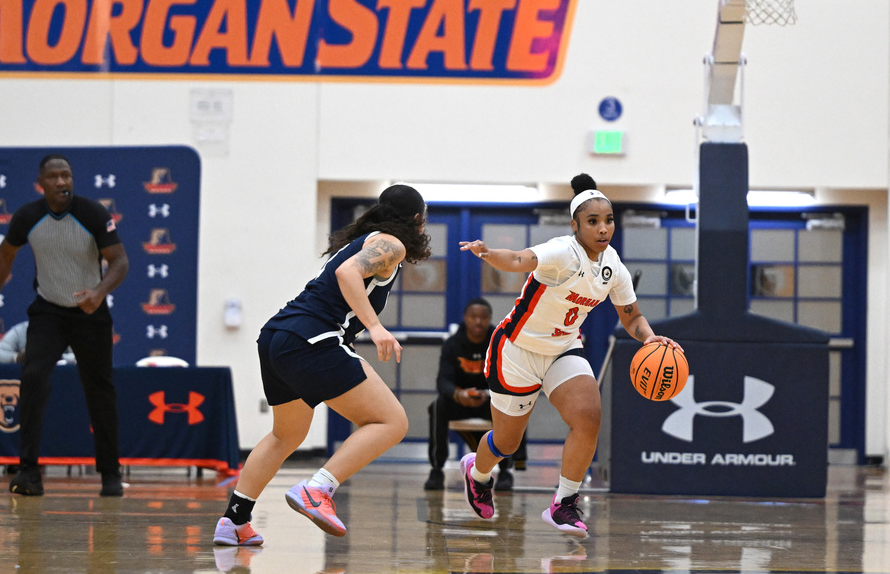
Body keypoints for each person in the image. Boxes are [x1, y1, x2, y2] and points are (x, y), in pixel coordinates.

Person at [458, 174, 682, 539]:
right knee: (507, 443)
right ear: (575, 225)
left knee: (588, 415)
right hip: (517, 350)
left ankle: (563, 503)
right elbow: (518, 259)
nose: (603, 227)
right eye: (593, 221)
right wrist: (488, 253)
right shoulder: (562, 252)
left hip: (563, 348)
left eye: (608, 220)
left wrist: (651, 340)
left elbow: (632, 316)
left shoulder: (613, 267)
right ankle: (477, 473)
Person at [213, 183, 430, 547]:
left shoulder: (364, 239)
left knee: (286, 435)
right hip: (313, 338)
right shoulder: (392, 243)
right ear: (417, 220)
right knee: (391, 421)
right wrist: (375, 328)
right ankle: (318, 489)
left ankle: (234, 521)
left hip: (277, 336)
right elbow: (347, 275)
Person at [0, 154, 129, 498]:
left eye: (67, 175)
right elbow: (3, 258)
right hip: (49, 311)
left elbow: (120, 261)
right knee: (32, 376)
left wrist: (99, 291)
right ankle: (29, 472)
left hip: (90, 310)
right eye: (54, 177)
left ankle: (110, 474)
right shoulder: (28, 217)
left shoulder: (92, 214)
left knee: (99, 389)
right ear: (41, 184)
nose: (62, 182)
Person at [424, 298, 526, 491]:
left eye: (483, 317)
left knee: (515, 406)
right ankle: (436, 469)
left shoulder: (499, 343)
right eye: (474, 317)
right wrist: (458, 393)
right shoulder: (452, 345)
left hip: (491, 401)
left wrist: (487, 394)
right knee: (437, 406)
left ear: (489, 319)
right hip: (460, 401)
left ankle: (506, 470)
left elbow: (510, 379)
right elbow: (442, 380)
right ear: (465, 318)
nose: (478, 321)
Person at [0, 320, 77, 365]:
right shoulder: (21, 330)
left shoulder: (65, 329)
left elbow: (80, 357)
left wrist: (56, 357)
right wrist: (18, 358)